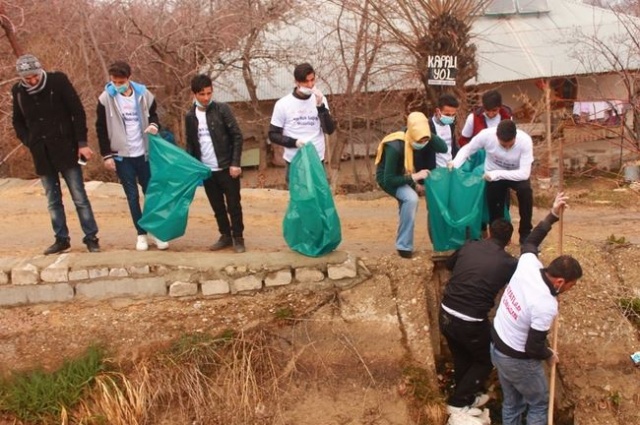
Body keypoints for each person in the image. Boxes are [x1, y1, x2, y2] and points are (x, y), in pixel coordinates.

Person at [491, 192, 582, 425]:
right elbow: (533, 347)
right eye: (572, 285)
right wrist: (549, 355)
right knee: (538, 403)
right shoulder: (545, 305)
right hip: (516, 358)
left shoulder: (529, 263)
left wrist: (553, 214)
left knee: (512, 404)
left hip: (497, 346)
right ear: (561, 282)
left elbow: (531, 241)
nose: (571, 289)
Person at [11, 54, 100, 255]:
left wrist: (82, 143)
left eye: (34, 76)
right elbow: (18, 121)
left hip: (66, 147)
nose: (32, 80)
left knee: (79, 196)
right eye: (28, 78)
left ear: (39, 70)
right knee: (52, 199)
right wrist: (29, 141)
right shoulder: (17, 91)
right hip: (41, 151)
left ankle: (91, 237)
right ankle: (61, 238)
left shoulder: (57, 81)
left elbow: (77, 111)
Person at [440, 218, 517, 417]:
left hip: (446, 313)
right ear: (509, 242)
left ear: (488, 233)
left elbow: (449, 265)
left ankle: (466, 396)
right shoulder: (509, 263)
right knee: (486, 359)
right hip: (469, 321)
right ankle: (457, 403)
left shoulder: (469, 246)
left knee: (462, 356)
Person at [96, 60, 168, 251]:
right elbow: (101, 128)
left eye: (121, 82)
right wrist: (107, 155)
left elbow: (154, 115)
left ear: (129, 79)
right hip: (122, 156)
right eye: (114, 82)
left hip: (143, 153)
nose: (117, 86)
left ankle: (156, 231)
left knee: (151, 193)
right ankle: (141, 233)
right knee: (132, 195)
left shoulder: (144, 94)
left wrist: (154, 125)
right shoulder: (105, 99)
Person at [185, 74, 246, 253]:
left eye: (209, 93)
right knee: (217, 206)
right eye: (202, 94)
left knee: (233, 204)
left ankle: (238, 237)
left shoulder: (222, 109)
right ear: (194, 94)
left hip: (227, 167)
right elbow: (191, 142)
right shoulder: (190, 116)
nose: (206, 98)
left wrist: (235, 163)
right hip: (207, 170)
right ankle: (225, 235)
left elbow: (237, 135)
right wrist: (193, 167)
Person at [375, 112, 447, 259]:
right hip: (388, 178)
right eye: (420, 141)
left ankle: (406, 240)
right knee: (411, 199)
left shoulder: (420, 134)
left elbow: (443, 148)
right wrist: (415, 177)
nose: (422, 144)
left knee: (409, 200)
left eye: (425, 141)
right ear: (411, 134)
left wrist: (427, 133)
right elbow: (389, 179)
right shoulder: (395, 145)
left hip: (404, 175)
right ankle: (404, 246)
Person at [449, 120, 534, 244]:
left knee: (525, 191)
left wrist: (497, 174)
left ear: (515, 137)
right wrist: (455, 163)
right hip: (492, 175)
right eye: (503, 145)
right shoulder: (486, 135)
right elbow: (468, 149)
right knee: (495, 206)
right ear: (497, 137)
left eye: (510, 145)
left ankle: (525, 233)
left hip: (516, 175)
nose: (507, 148)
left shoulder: (525, 141)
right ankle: (497, 237)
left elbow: (524, 173)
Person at [268, 62, 335, 182]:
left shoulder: (321, 98)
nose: (310, 85)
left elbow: (329, 130)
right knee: (300, 197)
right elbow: (273, 135)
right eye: (306, 81)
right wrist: (294, 142)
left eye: (312, 80)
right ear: (297, 82)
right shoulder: (283, 104)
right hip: (295, 159)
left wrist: (321, 107)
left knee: (319, 196)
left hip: (316, 158)